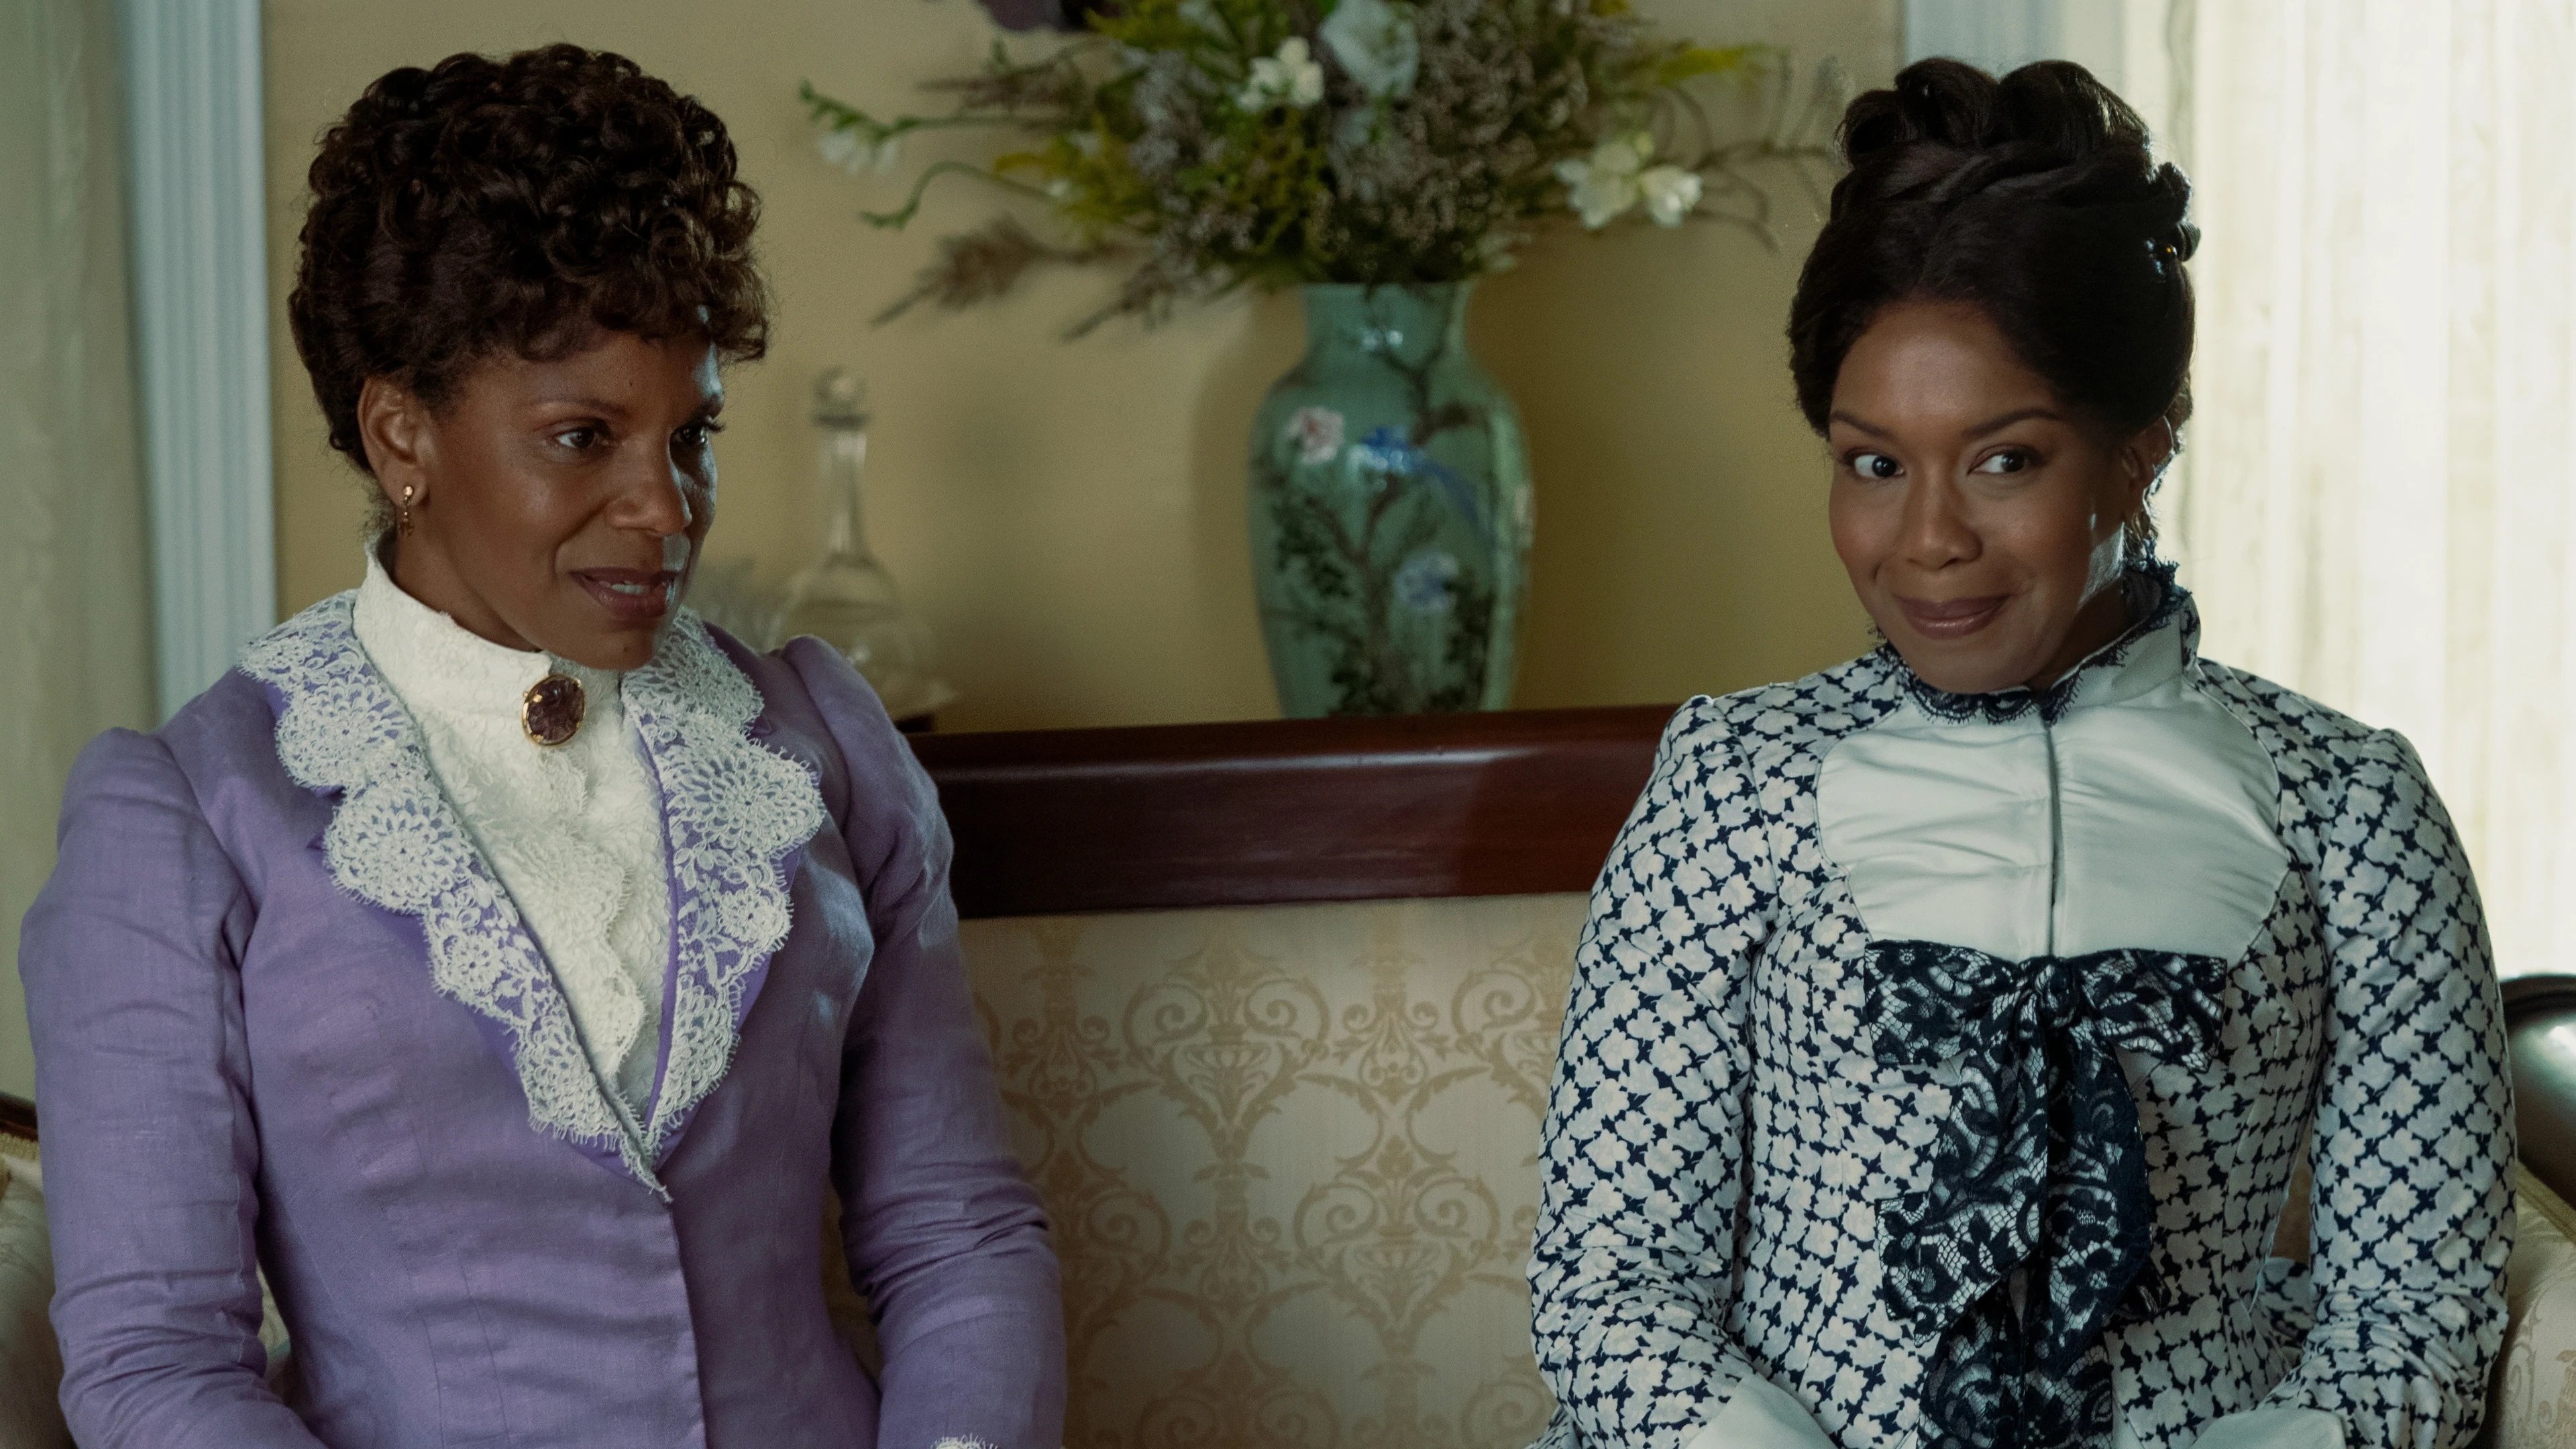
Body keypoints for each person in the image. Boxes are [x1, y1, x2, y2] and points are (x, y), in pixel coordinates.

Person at [19, 44, 1064, 1449]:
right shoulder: (188, 816)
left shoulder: (819, 741)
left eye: (692, 433)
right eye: (584, 437)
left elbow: (960, 1235)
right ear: (403, 433)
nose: (667, 509)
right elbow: (157, 1371)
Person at [1526, 58, 2511, 1449]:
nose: (1928, 540)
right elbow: (1610, 1294)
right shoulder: (1734, 784)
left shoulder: (2349, 808)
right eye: (1874, 463)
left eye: (2004, 461)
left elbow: (2416, 1328)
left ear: (2139, 453)